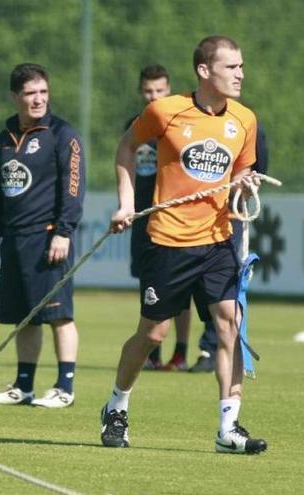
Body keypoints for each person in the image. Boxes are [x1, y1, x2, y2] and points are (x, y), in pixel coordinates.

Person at [99, 35, 267, 454]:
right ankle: (116, 406)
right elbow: (126, 148)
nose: (240, 74)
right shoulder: (166, 111)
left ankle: (229, 428)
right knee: (153, 334)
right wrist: (126, 203)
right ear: (204, 71)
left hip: (218, 241)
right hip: (168, 241)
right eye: (232, 67)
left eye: (242, 66)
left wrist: (245, 186)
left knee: (229, 325)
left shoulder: (245, 120)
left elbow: (242, 179)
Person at [0, 63, 85, 409]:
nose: (38, 99)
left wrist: (64, 232)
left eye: (43, 92)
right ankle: (23, 386)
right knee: (22, 316)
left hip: (48, 238)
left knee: (59, 315)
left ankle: (64, 387)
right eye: (30, 93)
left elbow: (73, 188)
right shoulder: (5, 135)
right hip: (14, 239)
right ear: (15, 97)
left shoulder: (62, 133)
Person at [125, 64, 191, 372]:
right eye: (149, 91)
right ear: (142, 91)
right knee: (149, 284)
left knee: (181, 289)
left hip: (175, 219)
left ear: (169, 90)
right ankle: (152, 352)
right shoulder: (135, 126)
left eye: (160, 90)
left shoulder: (180, 124)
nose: (154, 96)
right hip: (142, 219)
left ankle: (180, 352)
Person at [189, 122, 269, 373]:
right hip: (194, 221)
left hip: (230, 221)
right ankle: (204, 349)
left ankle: (213, 348)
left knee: (226, 289)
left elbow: (258, 168)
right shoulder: (195, 121)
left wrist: (246, 187)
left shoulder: (247, 123)